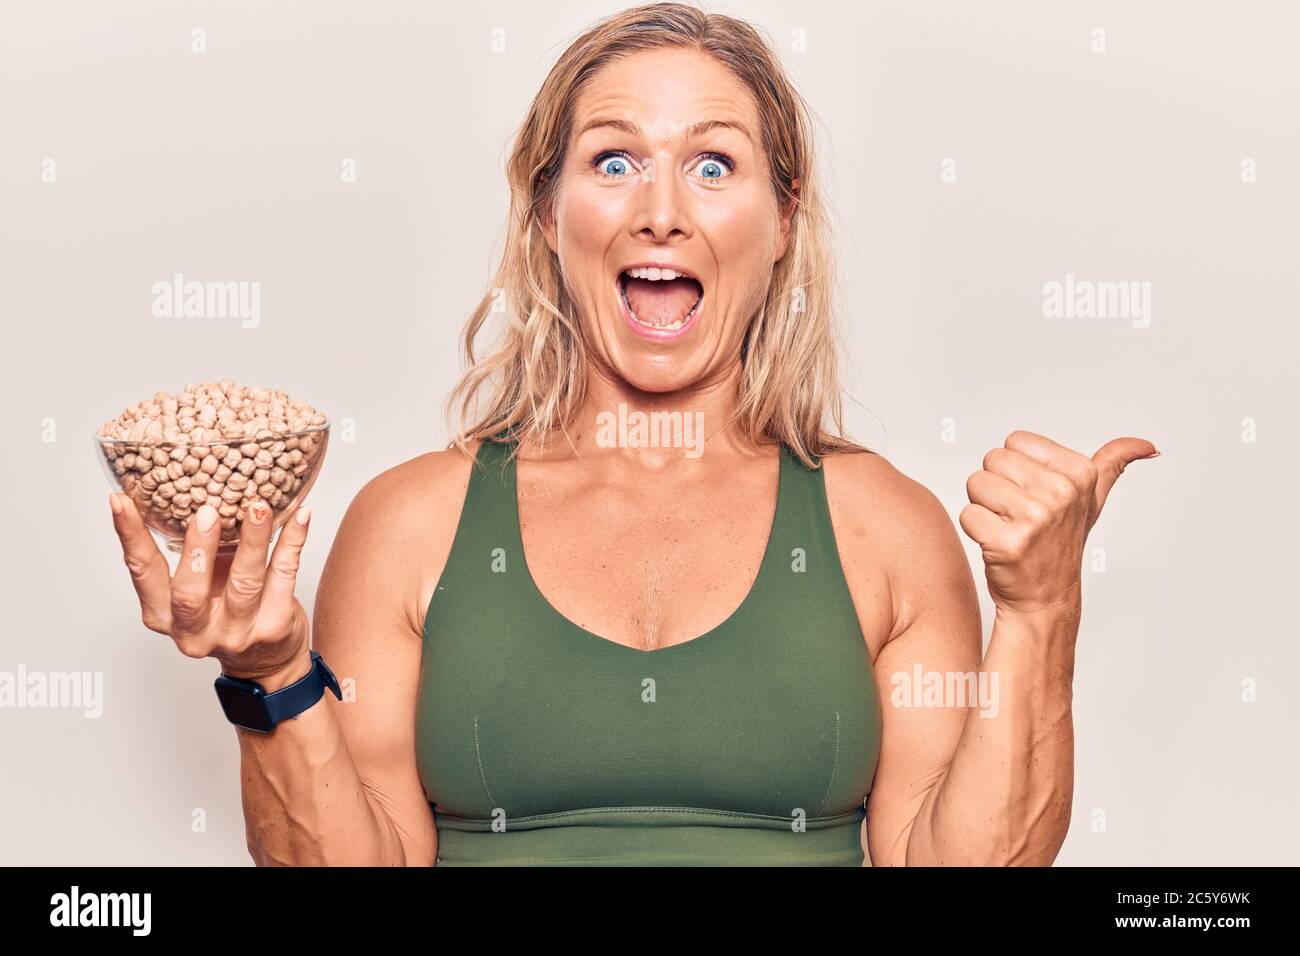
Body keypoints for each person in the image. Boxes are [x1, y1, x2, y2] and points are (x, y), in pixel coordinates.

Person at [108, 2, 1157, 866]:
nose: (661, 211)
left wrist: (1041, 609)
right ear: (544, 213)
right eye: (613, 163)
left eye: (713, 166)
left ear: (784, 217)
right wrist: (270, 668)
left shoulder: (881, 525)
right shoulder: (412, 522)